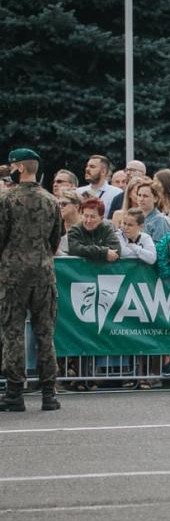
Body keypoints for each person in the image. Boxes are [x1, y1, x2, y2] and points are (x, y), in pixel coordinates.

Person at [0, 148, 63, 412]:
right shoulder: (51, 200)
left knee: (13, 332)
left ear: (21, 168)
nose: (10, 169)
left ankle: (15, 392)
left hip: (13, 274)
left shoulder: (7, 200)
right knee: (44, 333)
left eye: (12, 165)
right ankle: (49, 393)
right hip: (43, 272)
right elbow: (56, 238)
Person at [56, 189, 82, 255]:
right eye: (59, 204)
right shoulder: (55, 225)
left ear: (76, 206)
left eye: (64, 204)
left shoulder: (88, 225)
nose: (60, 207)